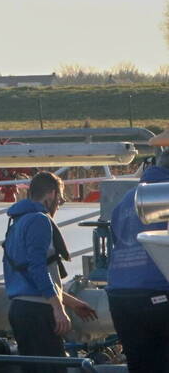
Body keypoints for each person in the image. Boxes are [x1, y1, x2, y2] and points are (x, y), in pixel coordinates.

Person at [2, 171, 98, 371]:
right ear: (52, 195)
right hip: (39, 312)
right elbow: (38, 269)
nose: (58, 206)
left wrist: (73, 302)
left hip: (19, 310)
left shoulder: (17, 222)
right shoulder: (39, 220)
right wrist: (58, 309)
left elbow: (28, 275)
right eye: (60, 201)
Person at [106, 145, 169, 372]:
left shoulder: (126, 199)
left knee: (140, 365)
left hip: (120, 296)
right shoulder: (164, 194)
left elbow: (116, 237)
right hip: (158, 291)